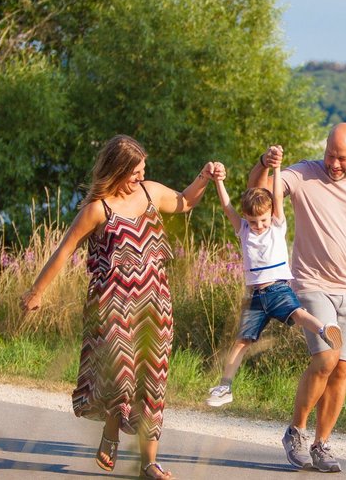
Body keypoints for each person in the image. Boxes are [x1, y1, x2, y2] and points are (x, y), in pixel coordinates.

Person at [21, 134, 219, 480]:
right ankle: (110, 432)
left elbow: (186, 202)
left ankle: (148, 464)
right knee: (121, 374)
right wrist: (36, 292)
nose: (140, 177)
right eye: (134, 172)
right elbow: (64, 252)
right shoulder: (97, 210)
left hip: (155, 300)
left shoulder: (151, 192)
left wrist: (203, 177)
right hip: (111, 302)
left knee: (152, 381)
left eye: (143, 170)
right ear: (116, 170)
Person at [248, 123, 346, 473]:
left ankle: (322, 443)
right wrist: (265, 162)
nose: (334, 164)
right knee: (327, 357)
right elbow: (257, 192)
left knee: (342, 370)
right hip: (310, 284)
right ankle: (297, 431)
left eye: (343, 159)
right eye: (330, 155)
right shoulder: (303, 173)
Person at [205, 154, 343, 407]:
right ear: (247, 219)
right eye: (254, 221)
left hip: (278, 289)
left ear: (271, 216)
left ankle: (324, 330)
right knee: (242, 341)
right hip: (256, 297)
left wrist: (277, 169)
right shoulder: (244, 230)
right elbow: (227, 207)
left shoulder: (277, 226)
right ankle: (225, 387)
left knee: (298, 313)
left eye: (263, 220)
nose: (259, 226)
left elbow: (278, 196)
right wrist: (218, 181)